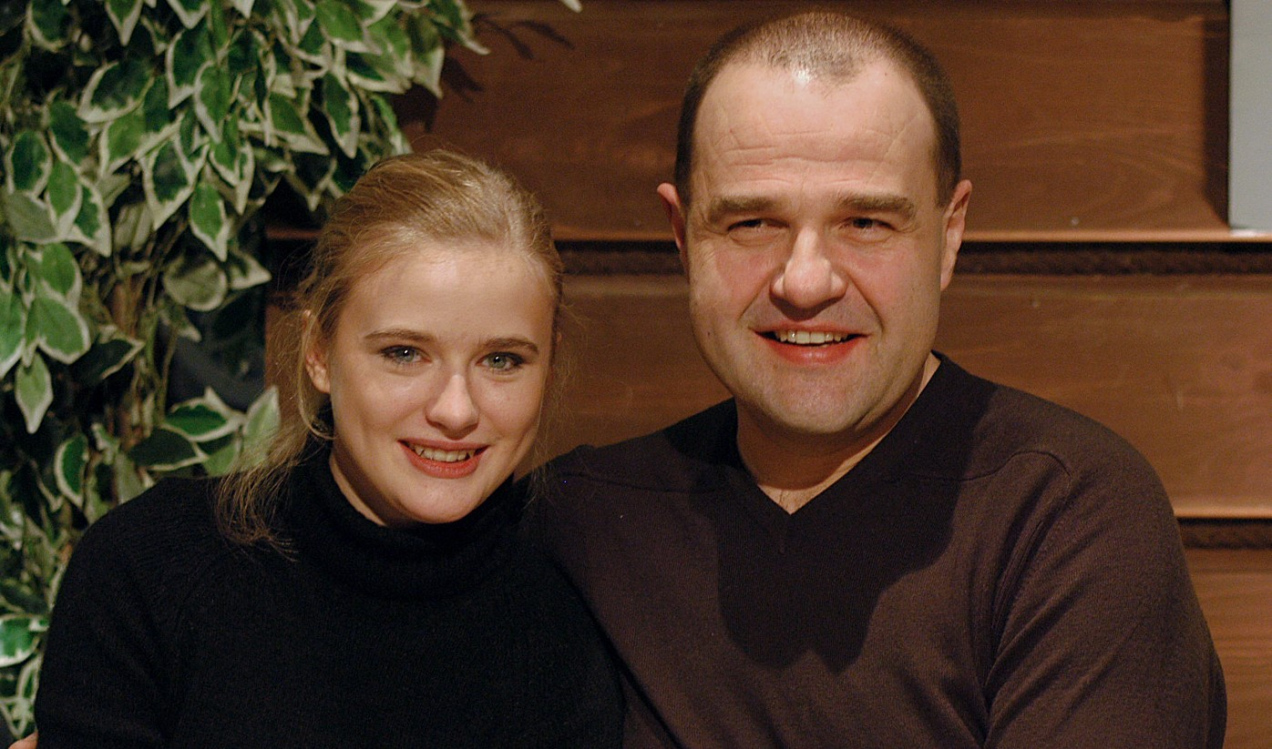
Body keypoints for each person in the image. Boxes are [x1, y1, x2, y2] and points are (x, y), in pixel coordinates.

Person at [533, 11, 1226, 748]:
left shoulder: (1063, 514)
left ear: (949, 234)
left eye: (865, 223)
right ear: (682, 236)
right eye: (751, 223)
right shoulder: (582, 522)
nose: (806, 282)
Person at [28, 151, 623, 747]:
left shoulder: (567, 632)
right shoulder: (150, 568)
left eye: (502, 360)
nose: (456, 410)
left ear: (548, 364)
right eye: (403, 353)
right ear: (318, 351)